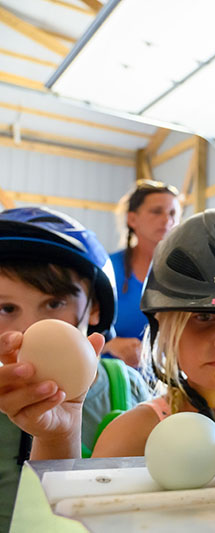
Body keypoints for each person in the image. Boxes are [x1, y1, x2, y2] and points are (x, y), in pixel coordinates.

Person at [1, 209, 215, 462]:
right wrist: (59, 438)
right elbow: (77, 515)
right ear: (163, 329)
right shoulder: (135, 430)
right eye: (203, 317)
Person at [0, 207, 149, 530]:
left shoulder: (127, 388)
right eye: (6, 308)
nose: (29, 328)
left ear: (95, 306)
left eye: (54, 304)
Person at [105, 179, 181, 368]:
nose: (167, 219)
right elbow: (76, 331)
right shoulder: (106, 269)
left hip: (166, 385)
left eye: (172, 213)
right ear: (132, 219)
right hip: (112, 384)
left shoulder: (185, 275)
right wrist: (110, 345)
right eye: (156, 211)